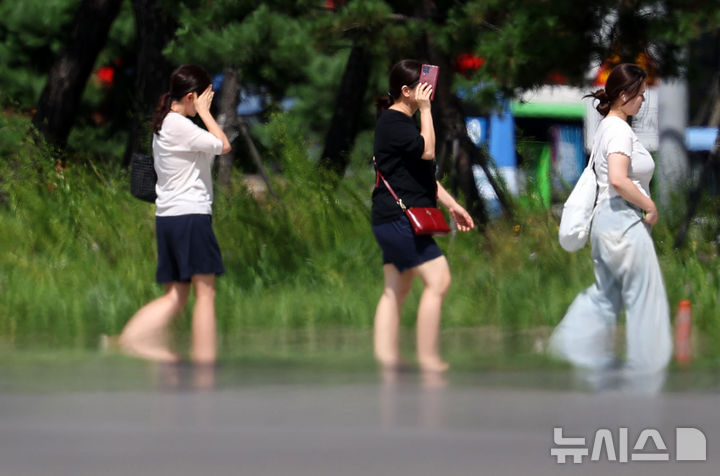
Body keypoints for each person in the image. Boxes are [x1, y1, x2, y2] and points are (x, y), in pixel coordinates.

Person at [548, 63, 672, 378]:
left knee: (607, 295)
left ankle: (567, 348)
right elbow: (618, 179)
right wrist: (650, 206)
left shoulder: (608, 127)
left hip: (607, 222)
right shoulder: (618, 130)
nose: (644, 101)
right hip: (622, 218)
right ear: (624, 94)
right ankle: (649, 370)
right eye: (640, 95)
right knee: (646, 297)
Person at [119, 64, 231, 364]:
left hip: (169, 218)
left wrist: (202, 112)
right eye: (206, 97)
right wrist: (207, 114)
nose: (210, 102)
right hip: (190, 217)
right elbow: (223, 145)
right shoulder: (180, 126)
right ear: (192, 96)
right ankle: (205, 367)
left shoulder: (166, 124)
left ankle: (136, 344)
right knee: (205, 296)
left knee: (177, 297)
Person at [371, 59, 475, 372]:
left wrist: (452, 205)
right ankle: (428, 358)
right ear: (406, 91)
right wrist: (427, 111)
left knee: (396, 289)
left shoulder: (399, 123)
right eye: (423, 86)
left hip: (392, 217)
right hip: (400, 218)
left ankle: (386, 360)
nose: (429, 92)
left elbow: (422, 177)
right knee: (439, 280)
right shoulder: (394, 122)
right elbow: (427, 151)